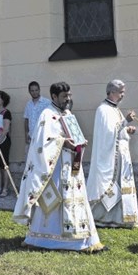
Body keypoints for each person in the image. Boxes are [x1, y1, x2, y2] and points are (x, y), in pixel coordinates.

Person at [13, 82, 105, 252]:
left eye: (69, 96)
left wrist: (79, 142)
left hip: (71, 167)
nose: (68, 99)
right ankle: (48, 239)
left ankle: (83, 237)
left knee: (75, 198)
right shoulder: (47, 115)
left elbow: (72, 134)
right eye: (64, 96)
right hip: (54, 170)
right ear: (54, 97)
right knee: (54, 202)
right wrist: (64, 143)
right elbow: (42, 142)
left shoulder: (67, 113)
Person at [86, 79, 138, 228]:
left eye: (123, 92)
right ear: (111, 92)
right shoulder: (103, 110)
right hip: (111, 156)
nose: (123, 95)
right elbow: (107, 133)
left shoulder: (115, 109)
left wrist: (127, 129)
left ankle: (122, 217)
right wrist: (125, 122)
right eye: (120, 92)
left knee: (122, 184)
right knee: (111, 185)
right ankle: (104, 217)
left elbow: (117, 130)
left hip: (121, 153)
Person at [23, 81, 50, 156]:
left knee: (42, 157)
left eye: (36, 90)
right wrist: (26, 134)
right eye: (32, 90)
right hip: (31, 136)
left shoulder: (47, 102)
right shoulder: (28, 104)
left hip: (43, 136)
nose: (34, 92)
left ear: (39, 90)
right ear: (29, 91)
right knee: (32, 158)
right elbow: (26, 119)